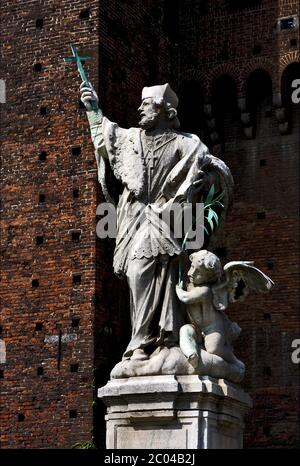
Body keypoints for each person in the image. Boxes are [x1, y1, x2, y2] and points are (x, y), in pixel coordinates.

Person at [80, 81, 233, 361]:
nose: (140, 109)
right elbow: (105, 140)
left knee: (160, 276)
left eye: (146, 105)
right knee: (136, 273)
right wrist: (92, 108)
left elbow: (214, 174)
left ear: (165, 110)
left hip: (169, 220)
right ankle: (143, 339)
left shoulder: (187, 144)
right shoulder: (131, 139)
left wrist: (200, 184)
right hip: (136, 218)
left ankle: (157, 340)